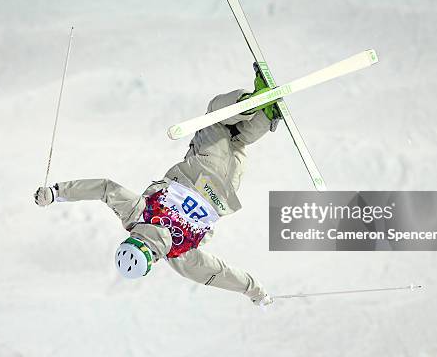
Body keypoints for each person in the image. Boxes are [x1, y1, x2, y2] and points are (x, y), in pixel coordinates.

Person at [34, 66, 279, 306]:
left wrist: (254, 291)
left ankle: (266, 114)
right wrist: (55, 193)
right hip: (202, 167)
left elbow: (220, 273)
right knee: (215, 115)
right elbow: (105, 188)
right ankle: (253, 102)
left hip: (228, 188)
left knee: (237, 142)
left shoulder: (180, 257)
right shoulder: (138, 215)